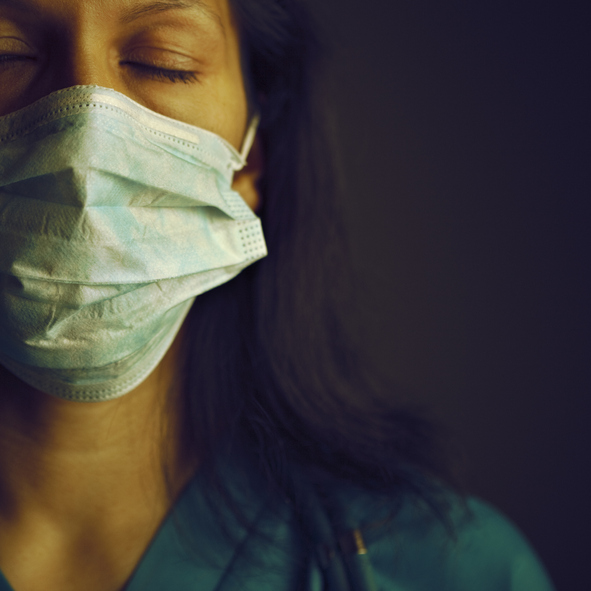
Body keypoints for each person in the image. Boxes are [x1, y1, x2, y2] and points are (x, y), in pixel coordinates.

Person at [0, 0, 556, 590]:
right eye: (7, 55)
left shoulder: (449, 569)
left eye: (164, 61)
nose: (85, 128)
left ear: (251, 159)